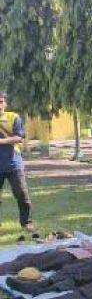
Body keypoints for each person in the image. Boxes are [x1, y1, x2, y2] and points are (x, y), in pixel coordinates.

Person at [0, 91, 33, 231]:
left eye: (1, 102)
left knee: (22, 194)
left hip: (14, 163)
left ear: (5, 103)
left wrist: (2, 141)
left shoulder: (13, 117)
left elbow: (20, 137)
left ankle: (26, 222)